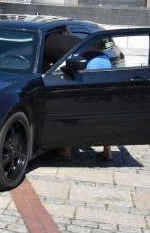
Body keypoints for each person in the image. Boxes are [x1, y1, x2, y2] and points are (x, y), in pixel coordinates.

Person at [42, 33, 113, 162]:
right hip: (103, 60)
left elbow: (46, 71)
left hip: (89, 64)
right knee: (101, 110)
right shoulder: (59, 38)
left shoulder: (44, 46)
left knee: (74, 110)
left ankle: (66, 150)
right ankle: (107, 152)